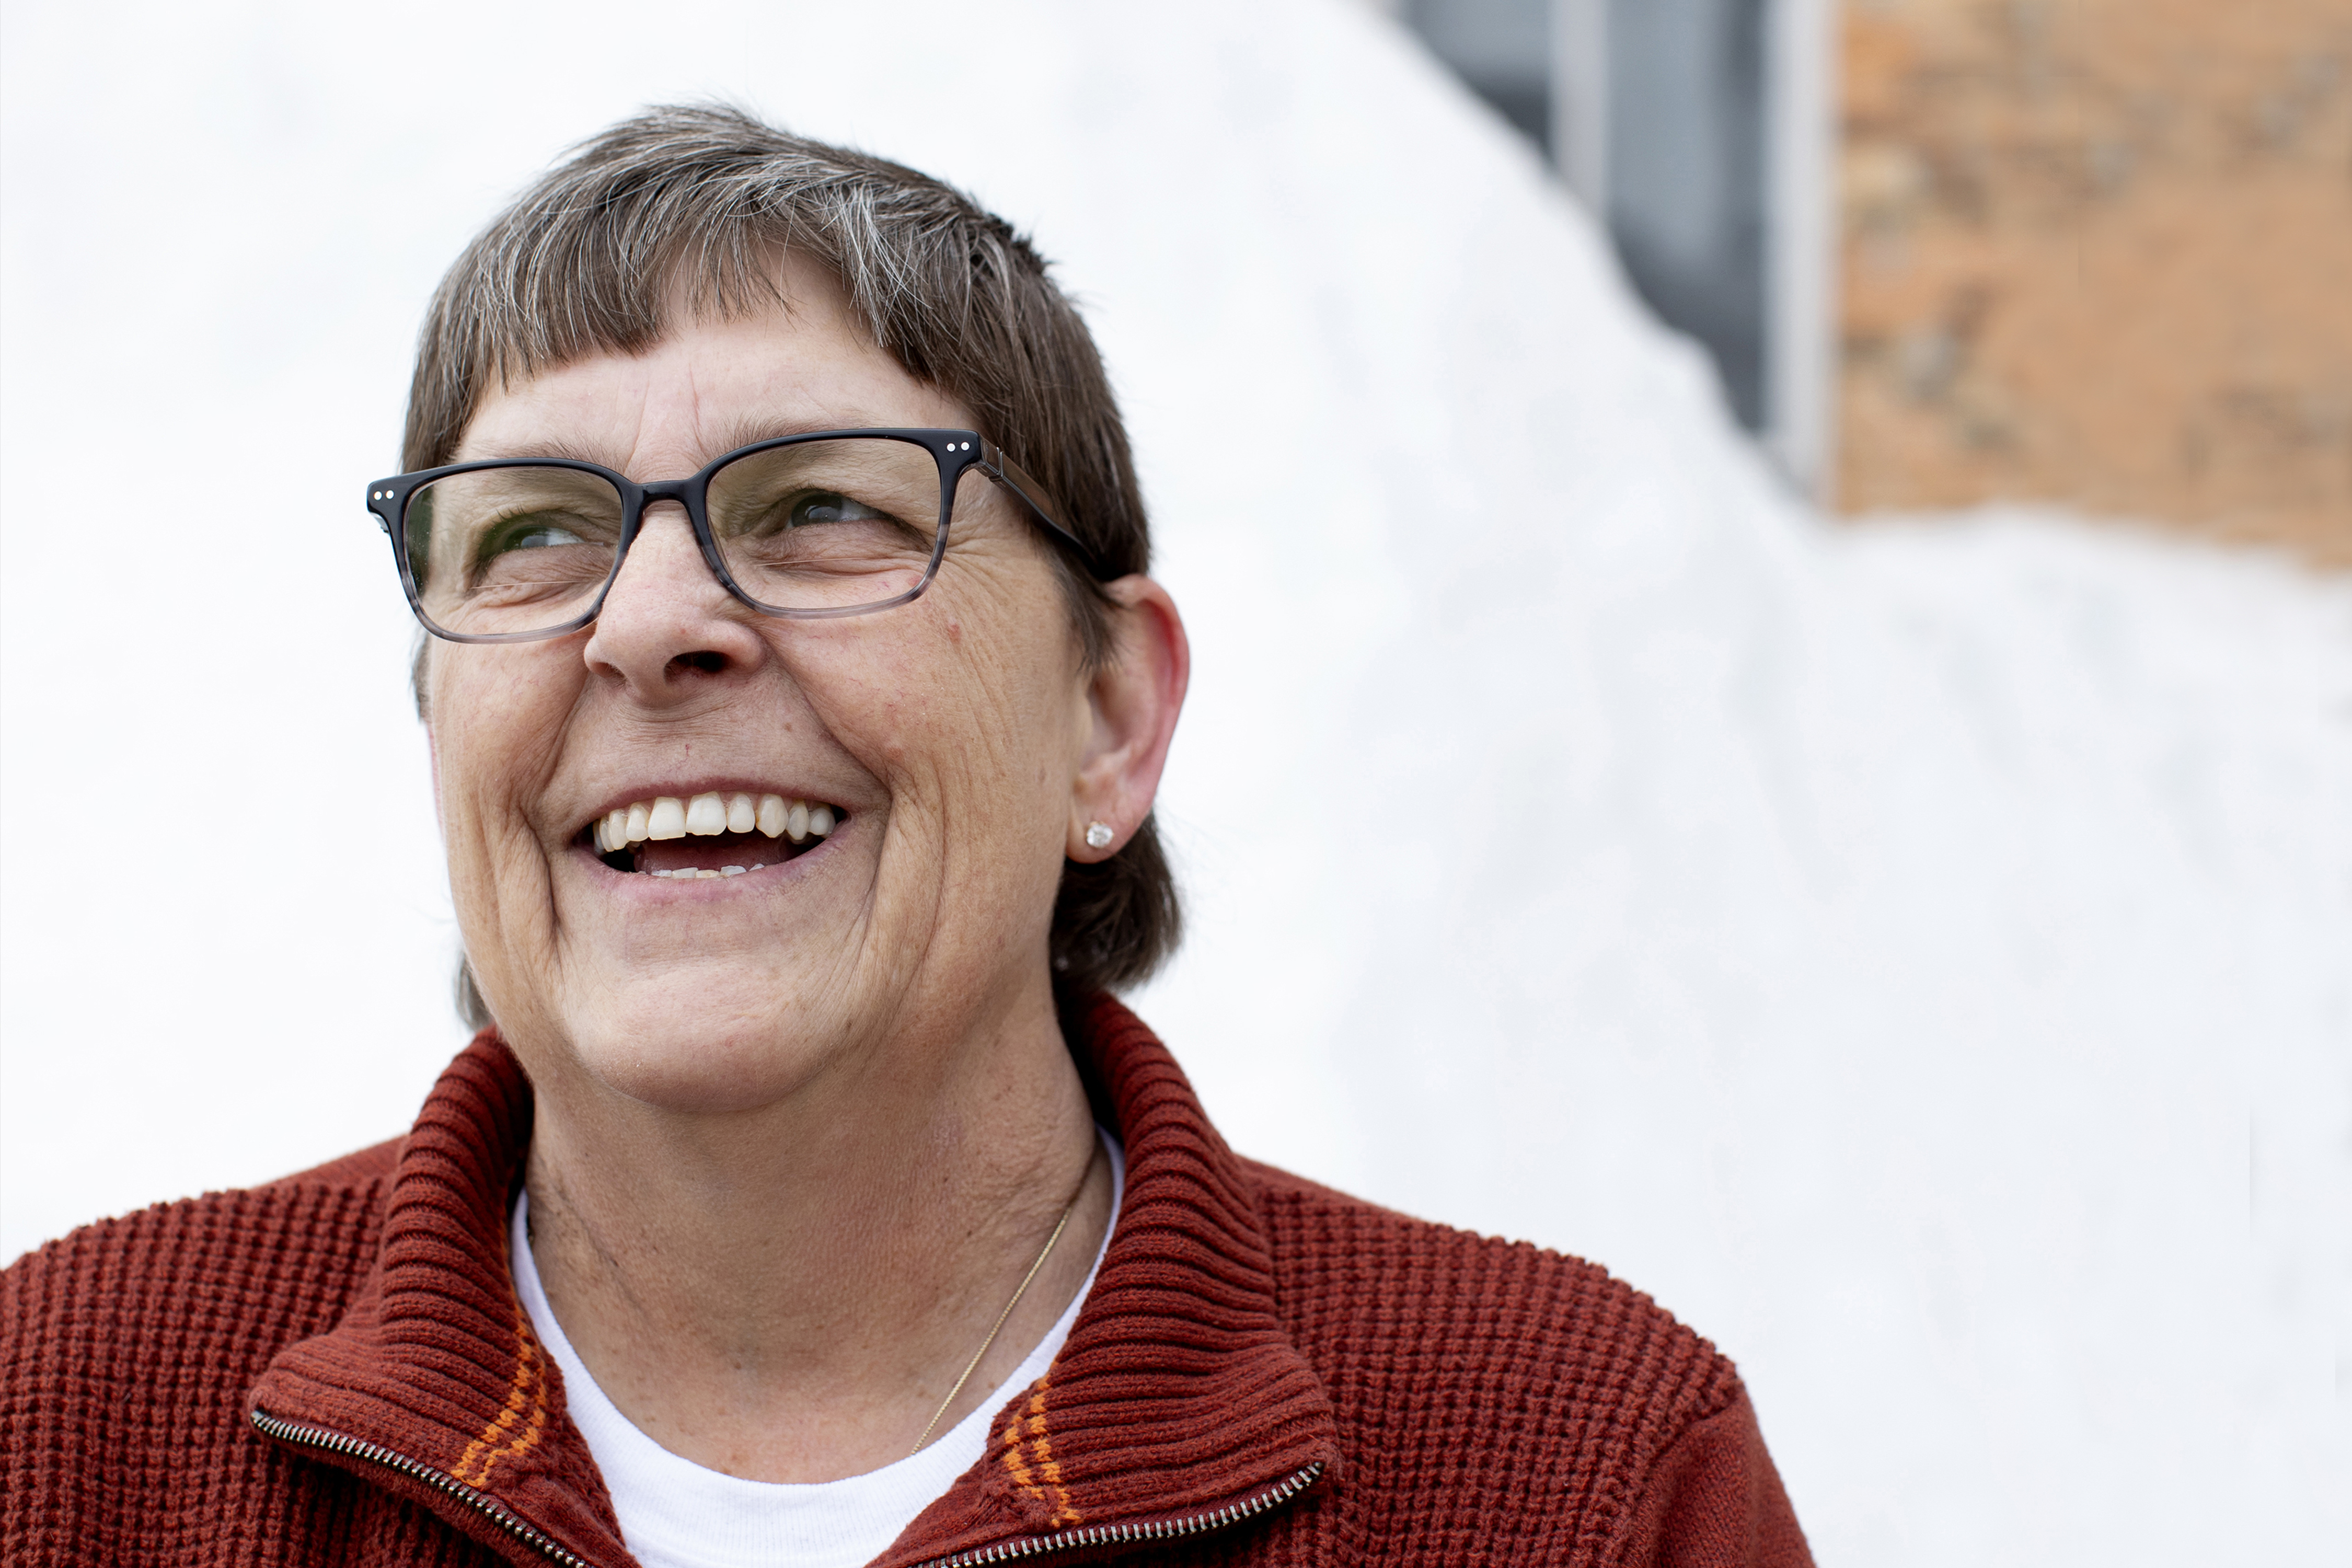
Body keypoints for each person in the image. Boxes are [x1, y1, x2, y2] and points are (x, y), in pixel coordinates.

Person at [2, 106, 1809, 1567]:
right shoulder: (57, 1435)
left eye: (819, 509)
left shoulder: (1583, 1481)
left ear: (1109, 714)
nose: (648, 622)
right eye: (532, 533)